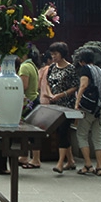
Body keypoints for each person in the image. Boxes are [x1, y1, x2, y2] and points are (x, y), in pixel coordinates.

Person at [40, 42, 78, 173]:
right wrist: (51, 95)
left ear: (62, 54)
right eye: (52, 54)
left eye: (55, 54)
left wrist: (62, 95)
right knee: (60, 132)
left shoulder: (70, 68)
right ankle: (71, 160)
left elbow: (75, 86)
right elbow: (48, 83)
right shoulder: (51, 68)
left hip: (66, 105)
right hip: (54, 104)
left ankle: (60, 163)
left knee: (63, 131)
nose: (53, 56)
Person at [73, 49, 101, 176]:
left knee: (81, 134)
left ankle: (88, 164)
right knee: (98, 137)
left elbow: (83, 85)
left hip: (89, 108)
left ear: (82, 61)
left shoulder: (85, 69)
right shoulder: (99, 70)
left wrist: (77, 103)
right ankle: (99, 167)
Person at [16, 50, 42, 169]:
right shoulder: (32, 65)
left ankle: (35, 159)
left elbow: (23, 86)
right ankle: (24, 156)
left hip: (28, 102)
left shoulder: (25, 66)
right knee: (27, 131)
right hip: (34, 99)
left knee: (29, 131)